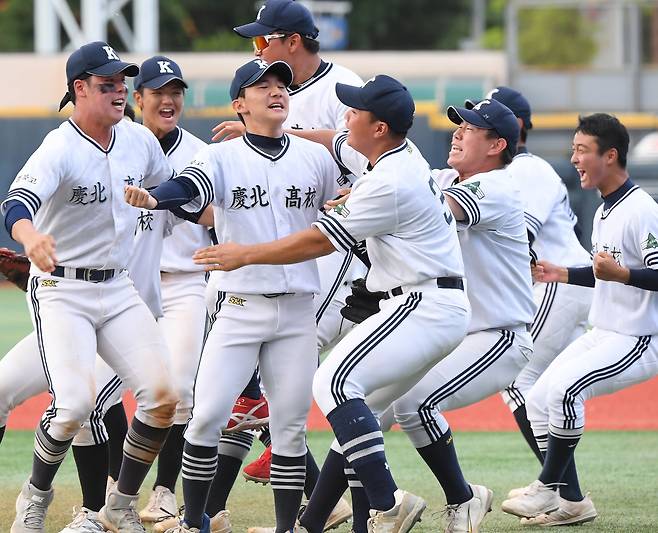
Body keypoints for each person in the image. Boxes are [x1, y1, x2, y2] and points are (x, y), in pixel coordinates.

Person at [191, 74, 471, 533]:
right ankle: (345, 523)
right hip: (433, 302)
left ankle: (388, 502)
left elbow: (317, 241)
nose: (346, 115)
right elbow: (333, 141)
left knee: (335, 383)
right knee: (357, 420)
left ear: (378, 127)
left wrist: (243, 254)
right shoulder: (397, 153)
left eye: (356, 110)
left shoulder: (390, 181)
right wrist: (253, 132)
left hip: (423, 303)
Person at [124, 58, 347, 533]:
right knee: (205, 418)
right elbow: (190, 185)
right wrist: (155, 197)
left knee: (289, 428)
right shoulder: (221, 156)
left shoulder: (316, 158)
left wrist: (351, 198)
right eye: (260, 85)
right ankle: (192, 521)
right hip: (239, 309)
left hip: (297, 311)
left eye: (281, 84)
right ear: (239, 104)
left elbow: (347, 196)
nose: (276, 91)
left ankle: (288, 528)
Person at [1, 41, 179, 532]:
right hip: (62, 289)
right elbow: (15, 204)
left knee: (164, 396)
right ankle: (35, 496)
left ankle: (118, 505)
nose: (119, 91)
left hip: (118, 287)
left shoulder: (139, 141)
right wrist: (31, 236)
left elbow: (170, 190)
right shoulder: (60, 146)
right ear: (79, 89)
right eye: (106, 84)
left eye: (122, 82)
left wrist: (165, 198)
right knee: (75, 405)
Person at [209, 0, 364, 527]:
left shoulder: (342, 84)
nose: (257, 48)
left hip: (343, 247)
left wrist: (274, 136)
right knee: (257, 385)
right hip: (299, 245)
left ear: (290, 41)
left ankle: (346, 498)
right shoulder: (279, 93)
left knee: (288, 370)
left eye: (263, 39)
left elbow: (361, 148)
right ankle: (214, 506)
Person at [501, 113, 658, 526]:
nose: (574, 159)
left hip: (639, 337)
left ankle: (547, 488)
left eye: (582, 150)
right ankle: (568, 504)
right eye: (573, 150)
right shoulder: (606, 210)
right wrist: (564, 273)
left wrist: (622, 274)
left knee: (566, 392)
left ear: (611, 155)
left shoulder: (641, 209)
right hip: (605, 330)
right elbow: (606, 272)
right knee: (535, 398)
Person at [475, 88, 593, 467]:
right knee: (550, 390)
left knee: (516, 379)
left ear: (516, 126)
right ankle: (562, 489)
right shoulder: (506, 173)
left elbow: (519, 239)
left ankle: (558, 487)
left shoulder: (526, 169)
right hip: (560, 285)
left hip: (558, 283)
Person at [127, 55, 218, 529]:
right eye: (158, 92)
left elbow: (213, 215)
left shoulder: (200, 153)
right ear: (137, 98)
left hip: (184, 284)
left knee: (180, 391)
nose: (168, 100)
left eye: (176, 91)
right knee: (93, 396)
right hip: (125, 287)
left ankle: (164, 493)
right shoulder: (115, 148)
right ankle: (110, 491)